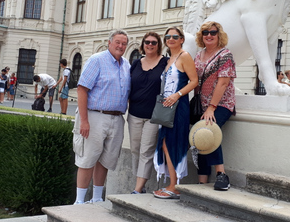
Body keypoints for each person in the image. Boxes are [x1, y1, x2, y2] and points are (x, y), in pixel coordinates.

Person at [73, 29, 131, 204]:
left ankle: (97, 198)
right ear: (109, 42)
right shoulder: (97, 60)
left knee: (105, 161)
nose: (120, 46)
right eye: (118, 42)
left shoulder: (126, 64)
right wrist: (84, 121)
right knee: (87, 158)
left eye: (124, 43)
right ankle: (79, 201)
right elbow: (82, 89)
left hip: (117, 118)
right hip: (94, 116)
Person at [153, 27, 198, 199]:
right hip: (166, 108)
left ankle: (175, 186)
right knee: (165, 143)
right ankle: (172, 183)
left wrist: (177, 94)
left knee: (172, 142)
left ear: (181, 40)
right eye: (168, 37)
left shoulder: (184, 56)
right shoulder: (168, 59)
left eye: (175, 36)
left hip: (178, 107)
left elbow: (194, 81)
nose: (171, 39)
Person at [193, 21, 236, 191]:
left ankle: (221, 174)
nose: (209, 35)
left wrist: (211, 107)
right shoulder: (198, 55)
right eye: (205, 32)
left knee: (209, 130)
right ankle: (202, 180)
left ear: (219, 35)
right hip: (202, 105)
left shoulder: (225, 55)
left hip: (222, 104)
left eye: (212, 32)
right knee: (199, 137)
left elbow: (223, 82)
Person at [127, 32, 168, 195]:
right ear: (143, 44)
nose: (150, 45)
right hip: (134, 113)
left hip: (154, 115)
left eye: (153, 42)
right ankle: (140, 185)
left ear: (159, 45)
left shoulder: (165, 62)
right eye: (147, 42)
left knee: (146, 150)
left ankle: (137, 189)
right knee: (135, 149)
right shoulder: (136, 63)